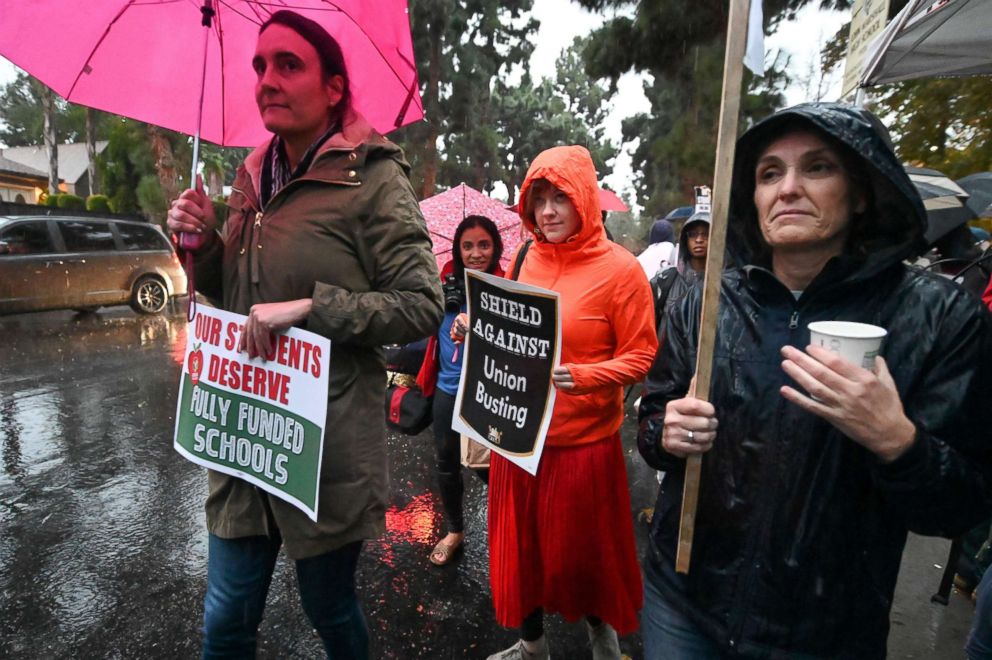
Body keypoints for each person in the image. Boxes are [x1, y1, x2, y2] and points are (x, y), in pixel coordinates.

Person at [637, 102, 992, 659]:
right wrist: (664, 431)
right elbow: (653, 419)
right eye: (769, 173)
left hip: (824, 634)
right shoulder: (706, 305)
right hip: (681, 603)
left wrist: (897, 442)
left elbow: (962, 505)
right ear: (751, 199)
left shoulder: (938, 318)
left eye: (818, 167)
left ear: (861, 191)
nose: (788, 189)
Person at [166, 11, 442, 658]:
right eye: (260, 66)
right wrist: (204, 243)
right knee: (226, 619)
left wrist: (309, 308)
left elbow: (421, 303)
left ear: (335, 88)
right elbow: (233, 292)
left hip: (323, 447)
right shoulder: (249, 176)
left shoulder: (373, 179)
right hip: (241, 433)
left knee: (329, 607)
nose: (266, 79)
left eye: (288, 65)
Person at [455, 145, 658, 660]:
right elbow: (516, 333)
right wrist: (474, 328)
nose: (547, 211)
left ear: (585, 200)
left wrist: (591, 376)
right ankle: (532, 647)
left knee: (583, 559)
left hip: (584, 447)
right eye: (538, 198)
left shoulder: (622, 270)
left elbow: (642, 355)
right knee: (522, 555)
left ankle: (602, 639)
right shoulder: (526, 256)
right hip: (519, 442)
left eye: (560, 198)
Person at [415, 214, 504, 566]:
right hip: (446, 388)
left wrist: (478, 320)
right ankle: (455, 530)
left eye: (484, 244)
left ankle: (508, 528)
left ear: (495, 246)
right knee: (446, 463)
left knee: (489, 467)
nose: (476, 253)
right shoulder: (443, 281)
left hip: (485, 391)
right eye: (468, 246)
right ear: (457, 249)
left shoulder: (506, 286)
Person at [649, 211, 710, 333]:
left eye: (706, 234)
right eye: (693, 234)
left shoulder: (726, 284)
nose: (699, 240)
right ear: (685, 239)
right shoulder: (666, 280)